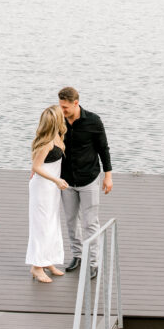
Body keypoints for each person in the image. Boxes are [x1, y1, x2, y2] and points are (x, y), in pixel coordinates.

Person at [58, 87, 112, 279]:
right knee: (71, 221)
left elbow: (103, 148)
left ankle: (94, 262)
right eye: (60, 106)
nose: (62, 110)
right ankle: (77, 255)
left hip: (89, 178)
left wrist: (108, 175)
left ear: (75, 103)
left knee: (91, 222)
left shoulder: (93, 121)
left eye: (65, 107)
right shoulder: (59, 121)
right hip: (67, 181)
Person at [26, 105, 69, 283]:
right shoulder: (47, 143)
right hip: (43, 188)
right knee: (42, 226)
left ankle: (48, 261)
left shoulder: (58, 136)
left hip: (51, 188)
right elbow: (36, 167)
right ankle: (37, 266)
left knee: (52, 223)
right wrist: (56, 180)